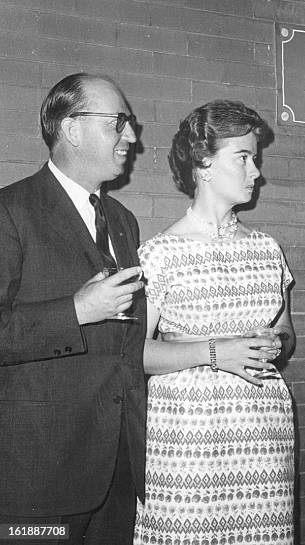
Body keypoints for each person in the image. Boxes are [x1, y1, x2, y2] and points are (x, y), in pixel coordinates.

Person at [133, 100, 296, 545]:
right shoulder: (159, 253)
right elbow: (135, 354)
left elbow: (285, 330)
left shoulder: (268, 249)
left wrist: (276, 341)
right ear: (203, 164)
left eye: (255, 159)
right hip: (187, 438)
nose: (255, 172)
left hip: (262, 433)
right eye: (242, 158)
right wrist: (215, 352)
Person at [0, 73, 146, 544]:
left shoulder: (123, 221)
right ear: (71, 128)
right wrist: (77, 310)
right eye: (117, 122)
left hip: (115, 472)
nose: (132, 137)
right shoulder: (10, 211)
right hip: (39, 479)